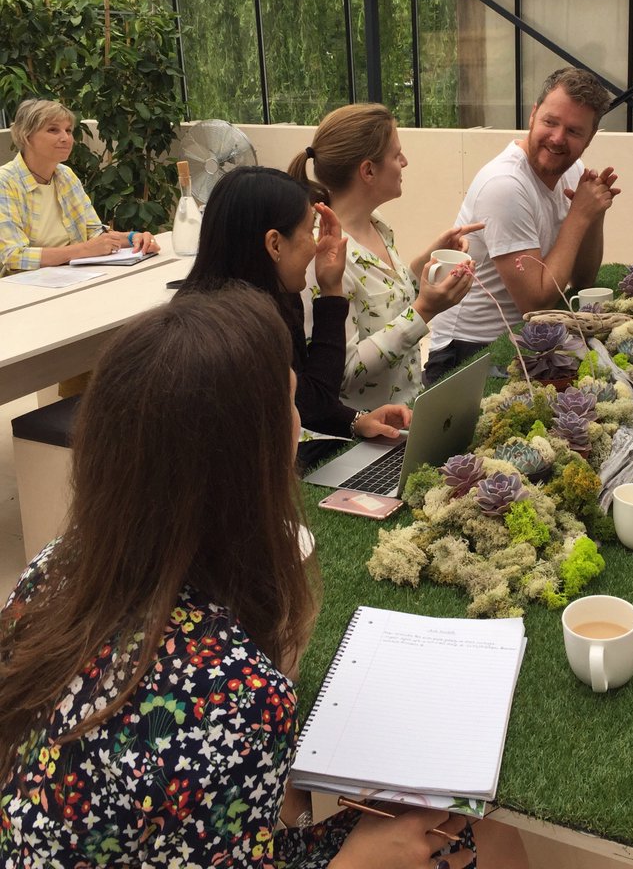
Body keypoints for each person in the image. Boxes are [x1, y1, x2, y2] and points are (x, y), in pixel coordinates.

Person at [0, 288, 526, 867]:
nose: (299, 424)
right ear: (251, 459)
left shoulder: (51, 570)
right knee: (479, 842)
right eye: (291, 406)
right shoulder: (236, 697)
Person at [180, 165, 411, 451]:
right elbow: (312, 403)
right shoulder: (233, 335)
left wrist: (356, 421)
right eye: (308, 231)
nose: (315, 247)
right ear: (275, 244)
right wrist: (331, 295)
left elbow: (308, 398)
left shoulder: (274, 296)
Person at [425, 66, 619, 382]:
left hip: (526, 339)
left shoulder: (573, 170)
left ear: (590, 138)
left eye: (573, 131)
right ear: (533, 115)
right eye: (550, 122)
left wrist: (594, 215)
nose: (558, 138)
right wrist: (579, 216)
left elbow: (583, 279)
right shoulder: (505, 185)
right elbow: (535, 301)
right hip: (469, 352)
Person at [289, 104, 480, 407]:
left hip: (408, 412)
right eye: (396, 155)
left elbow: (390, 300)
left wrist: (430, 257)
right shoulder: (323, 254)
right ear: (368, 170)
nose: (405, 162)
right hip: (366, 430)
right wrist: (424, 311)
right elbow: (343, 371)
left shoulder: (376, 224)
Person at [0, 98, 157, 275]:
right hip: (25, 286)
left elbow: (94, 232)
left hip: (73, 276)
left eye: (68, 130)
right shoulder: (4, 182)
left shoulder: (65, 175)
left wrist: (133, 238)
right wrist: (83, 250)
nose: (65, 138)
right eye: (53, 130)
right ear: (26, 136)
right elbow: (13, 256)